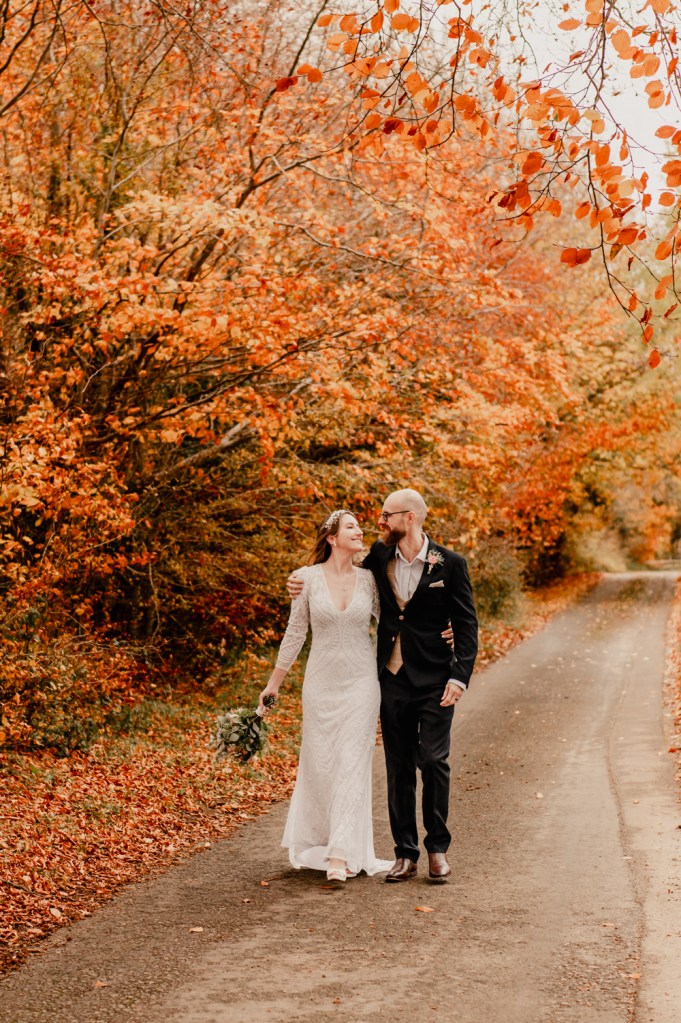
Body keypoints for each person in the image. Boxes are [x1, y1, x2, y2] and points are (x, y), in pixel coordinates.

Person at [288, 488, 478, 883]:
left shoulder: (451, 564)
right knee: (398, 767)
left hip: (437, 680)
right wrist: (296, 582)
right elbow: (332, 572)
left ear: (409, 518)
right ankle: (405, 853)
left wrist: (460, 676)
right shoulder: (377, 557)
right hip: (390, 680)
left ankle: (437, 850)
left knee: (434, 761)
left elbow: (466, 625)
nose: (379, 522)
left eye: (385, 516)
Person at [258, 509, 393, 883]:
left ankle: (340, 854)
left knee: (352, 762)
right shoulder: (305, 580)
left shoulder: (370, 581)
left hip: (362, 683)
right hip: (320, 684)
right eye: (351, 526)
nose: (358, 531)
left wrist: (439, 635)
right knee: (323, 765)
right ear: (332, 538)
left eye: (359, 527)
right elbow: (295, 634)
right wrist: (273, 684)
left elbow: (392, 624)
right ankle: (322, 843)